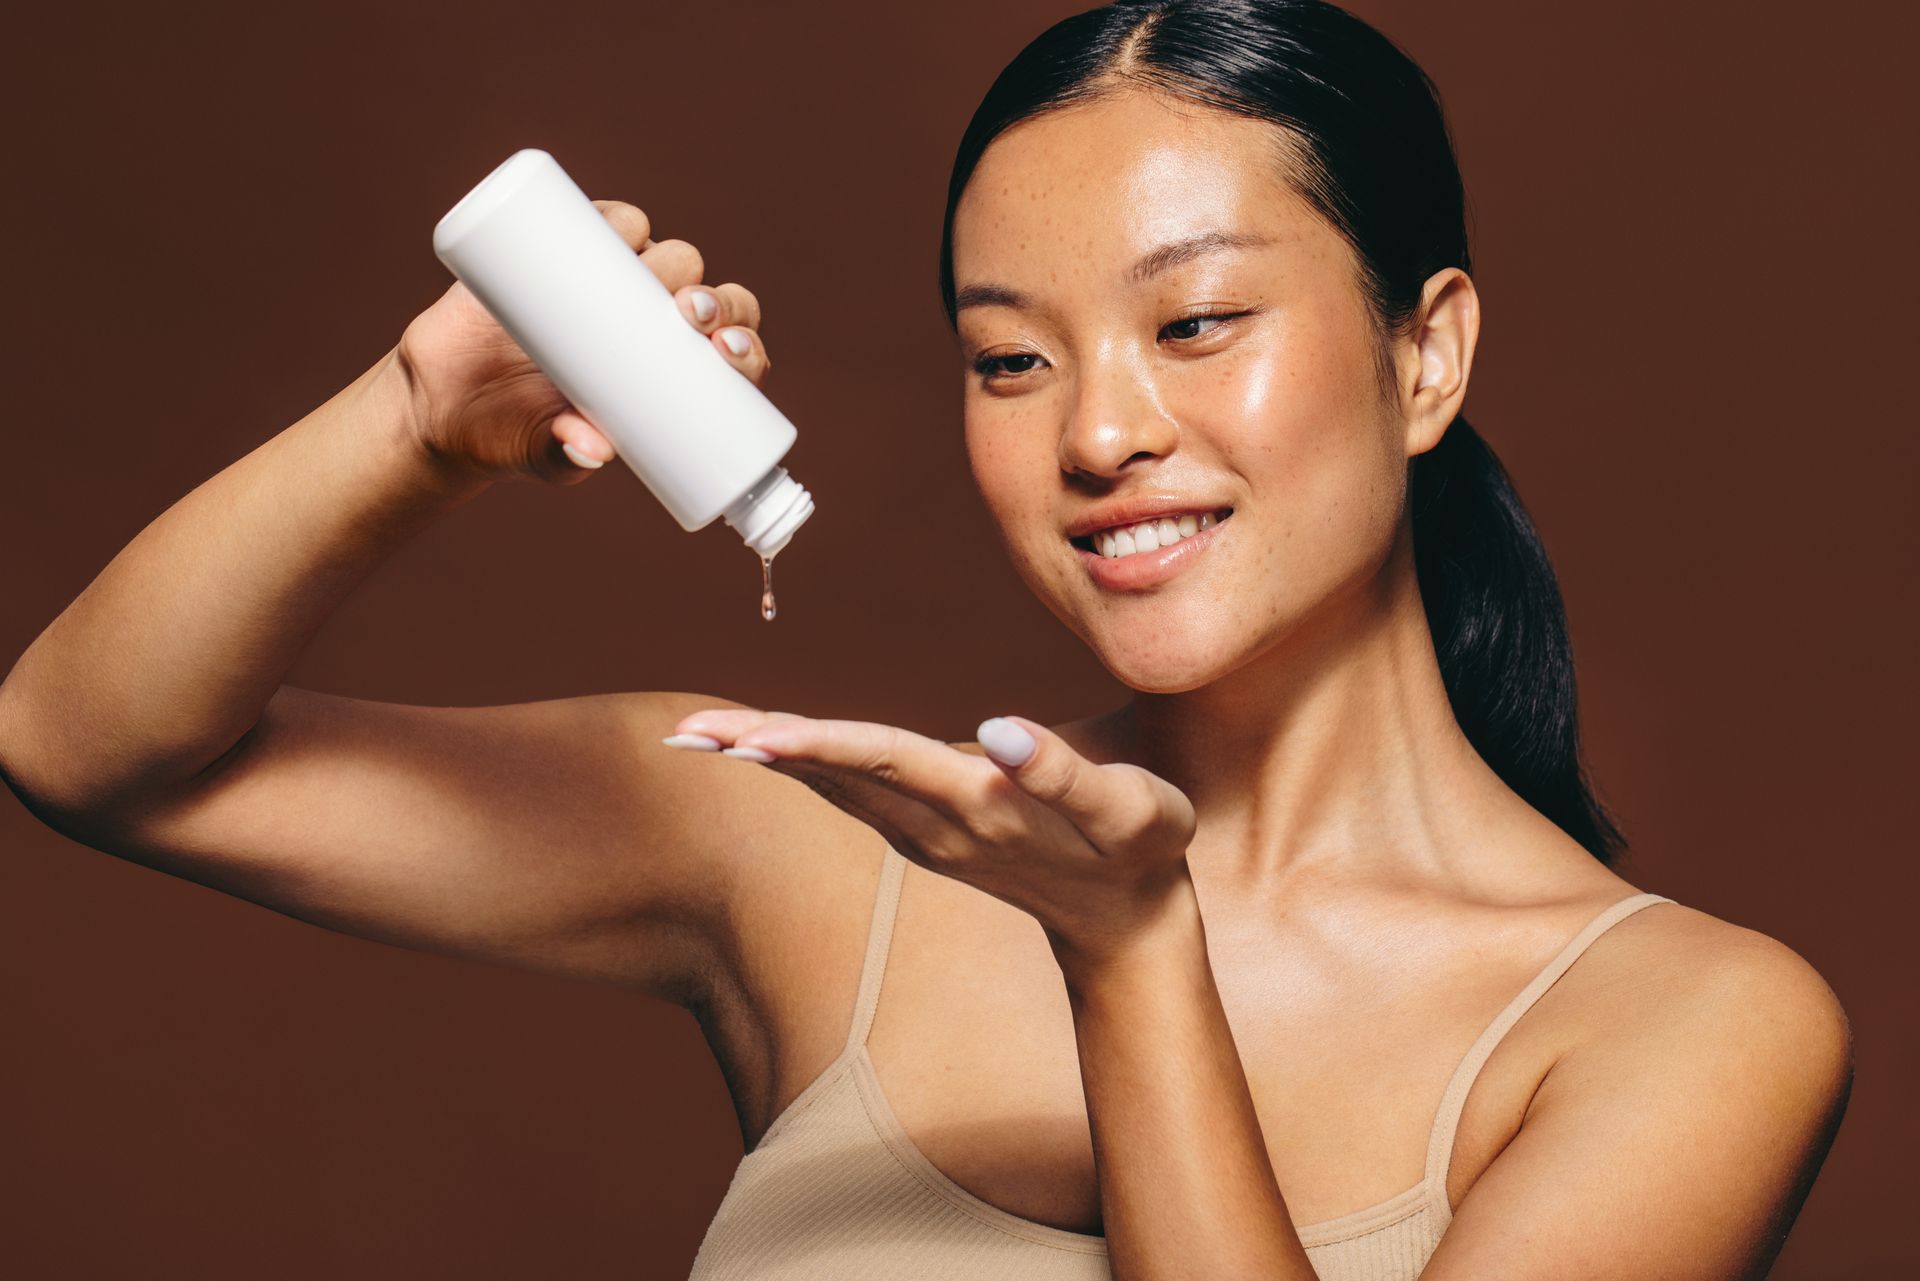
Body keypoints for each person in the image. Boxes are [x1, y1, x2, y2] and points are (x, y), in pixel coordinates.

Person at [0, 1, 1851, 1277]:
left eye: (1194, 322)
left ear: (1424, 352)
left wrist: (1136, 962)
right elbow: (97, 750)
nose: (1097, 430)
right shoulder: (816, 851)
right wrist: (411, 424)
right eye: (1009, 356)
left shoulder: (1678, 1028)